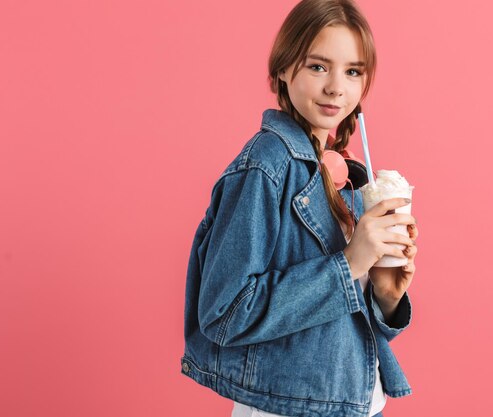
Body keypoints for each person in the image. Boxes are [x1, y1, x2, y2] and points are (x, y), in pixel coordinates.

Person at [180, 1, 420, 416]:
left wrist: (385, 294)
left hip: (357, 402)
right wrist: (348, 264)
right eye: (317, 67)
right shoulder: (266, 166)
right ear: (284, 70)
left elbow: (334, 329)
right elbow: (224, 313)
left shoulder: (341, 173)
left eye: (353, 71)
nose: (336, 88)